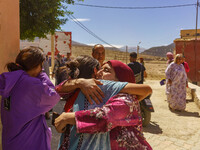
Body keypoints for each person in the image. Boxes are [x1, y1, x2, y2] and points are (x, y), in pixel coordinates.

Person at [55, 56, 152, 150]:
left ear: (120, 80)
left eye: (106, 70)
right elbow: (59, 89)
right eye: (100, 69)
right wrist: (80, 82)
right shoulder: (96, 93)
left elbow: (104, 118)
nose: (99, 72)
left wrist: (66, 118)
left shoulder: (127, 99)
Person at [0, 47, 60, 150]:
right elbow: (53, 96)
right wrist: (42, 74)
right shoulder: (31, 84)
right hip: (29, 143)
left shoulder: (12, 80)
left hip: (11, 142)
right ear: (37, 65)